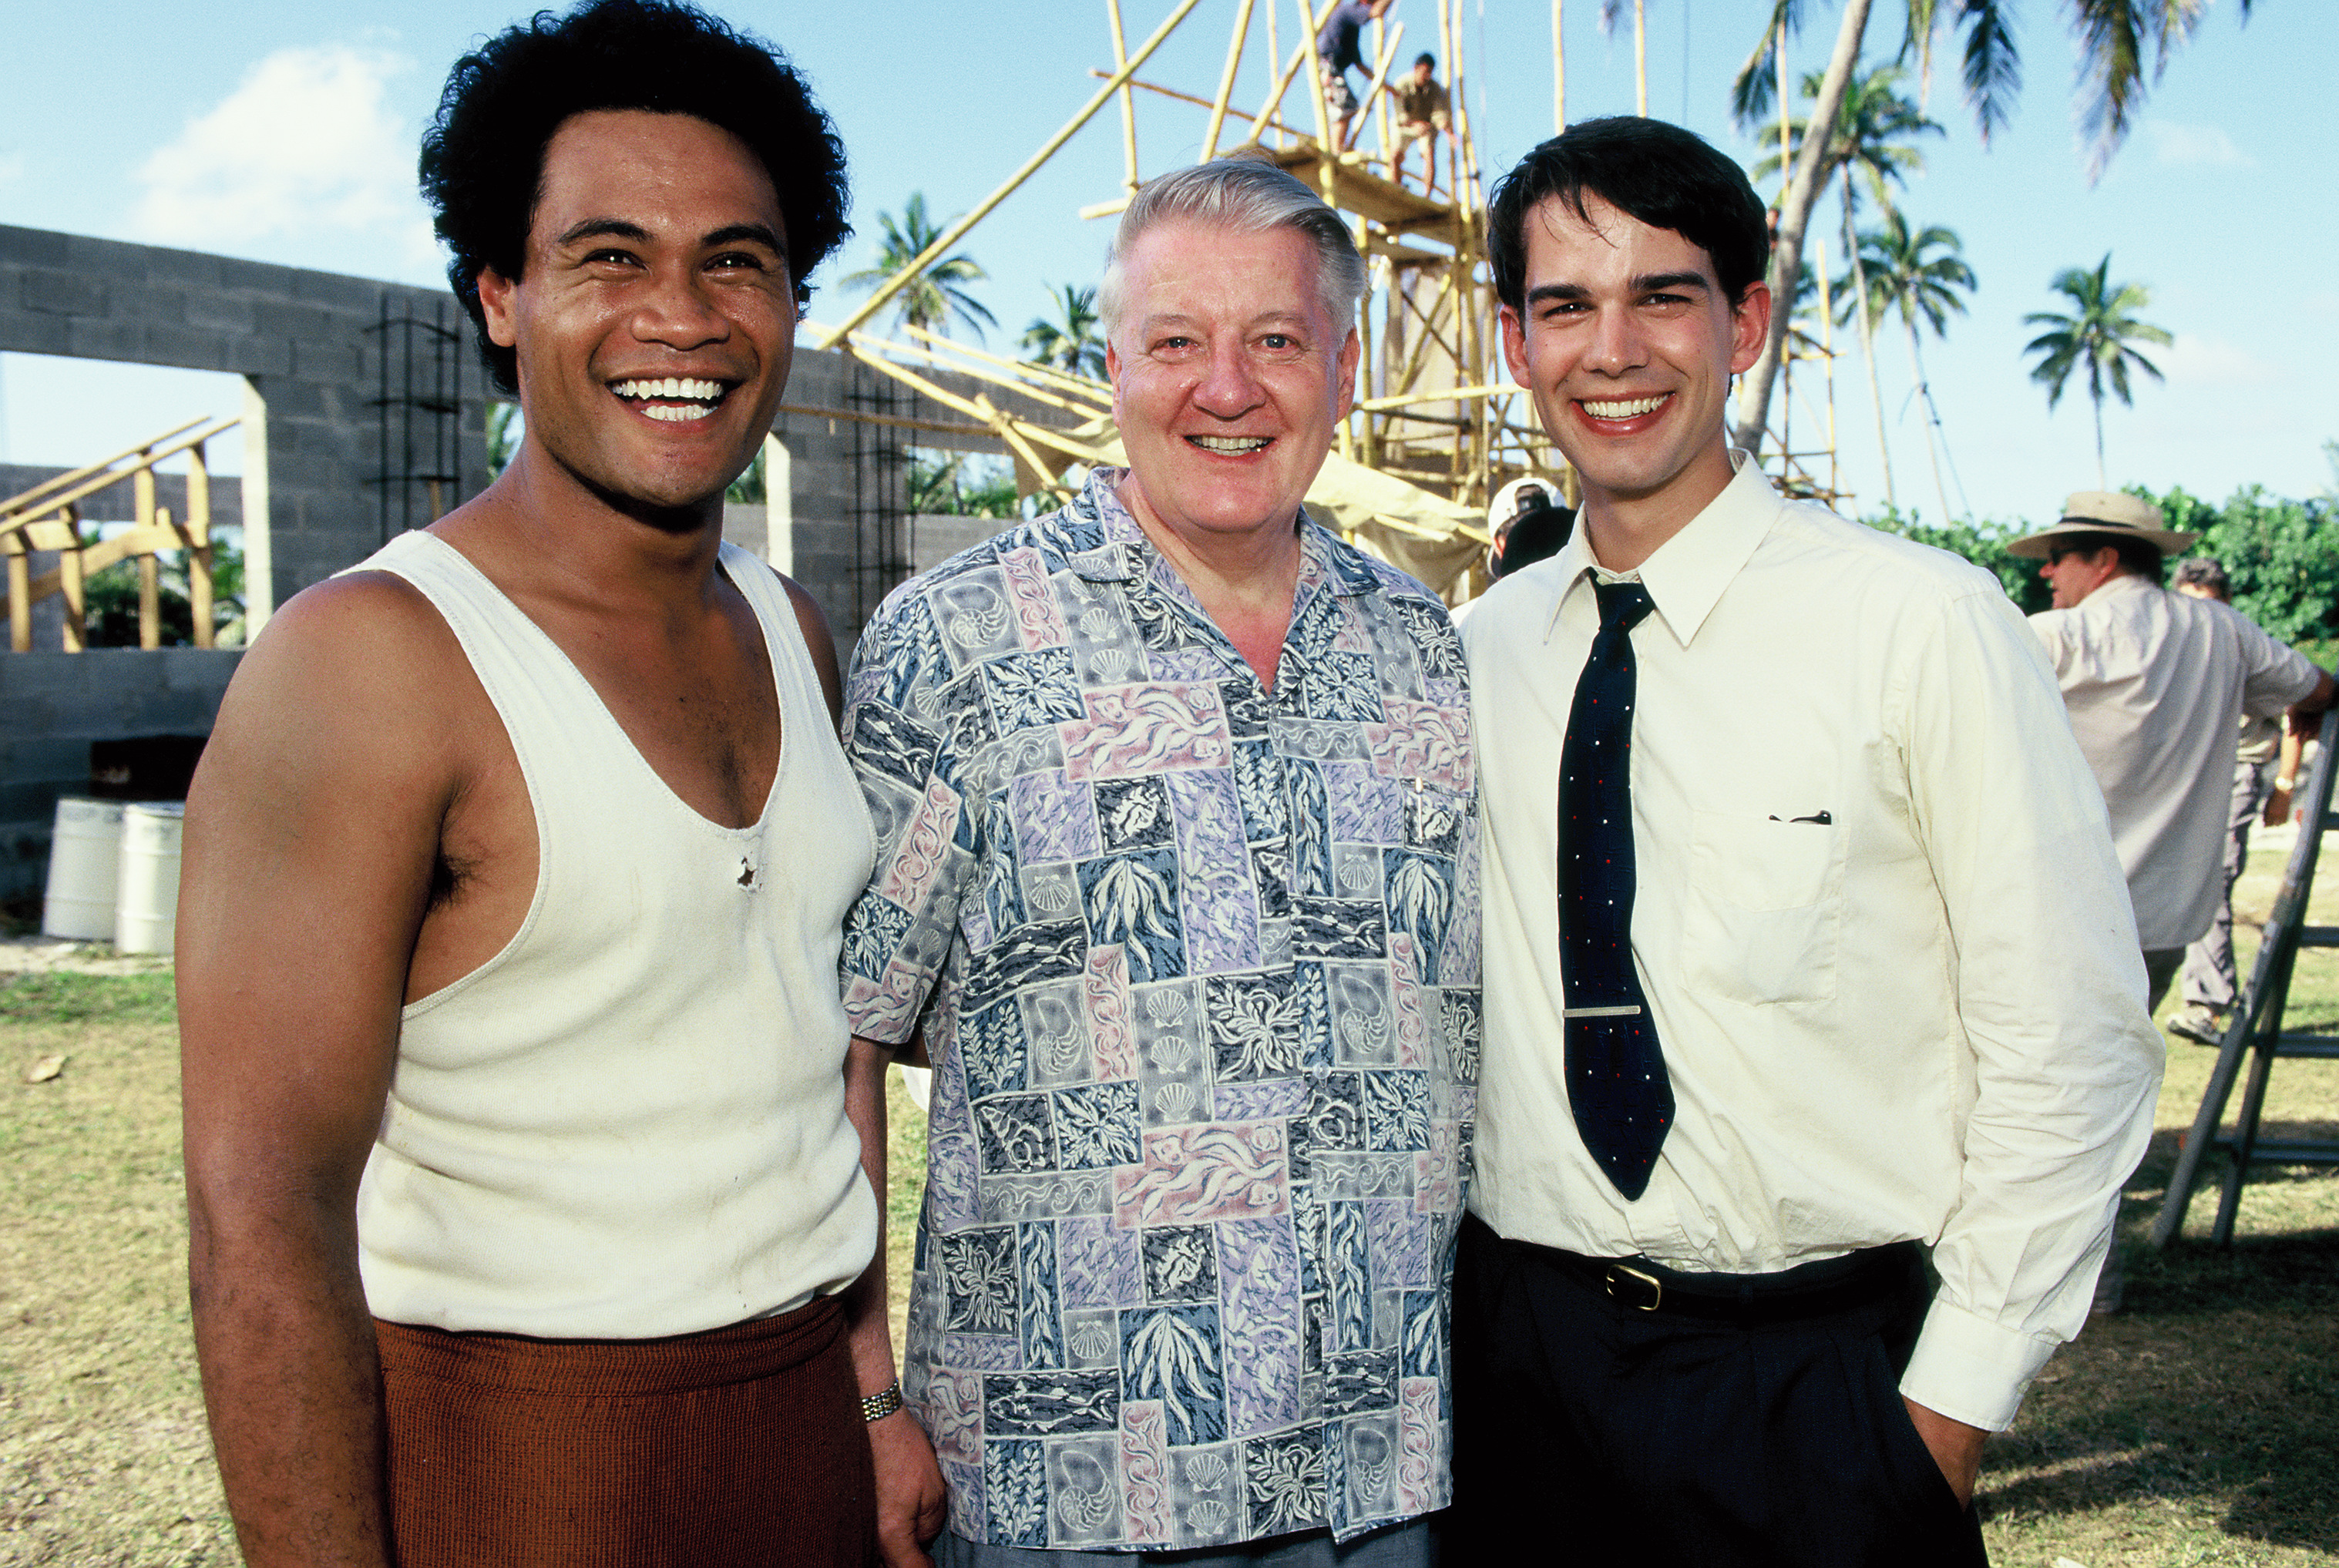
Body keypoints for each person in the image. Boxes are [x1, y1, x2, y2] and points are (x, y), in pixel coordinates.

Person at [176, 3, 944, 1565]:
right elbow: (260, 1218)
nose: (681, 317)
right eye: (609, 256)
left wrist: (868, 1400)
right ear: (500, 293)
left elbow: (816, 1064)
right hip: (519, 1466)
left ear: (791, 302)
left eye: (736, 261)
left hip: (798, 1437)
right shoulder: (371, 662)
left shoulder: (791, 628)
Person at [1452, 116, 2164, 1563]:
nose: (1613, 349)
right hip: (1518, 1386)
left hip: (1815, 1393)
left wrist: (1937, 1422)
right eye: (1565, 306)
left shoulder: (1920, 626)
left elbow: (2073, 1042)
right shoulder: (1467, 656)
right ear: (1515, 343)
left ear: (1746, 322)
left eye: (1663, 295)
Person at [838, 157, 1479, 1566]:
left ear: (1343, 369)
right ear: (1112, 364)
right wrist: (868, 1393)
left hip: (1380, 1473)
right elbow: (842, 1038)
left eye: (1276, 340)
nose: (1226, 388)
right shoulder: (958, 640)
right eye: (1177, 340)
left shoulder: (1423, 650)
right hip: (1065, 1480)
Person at [2015, 494, 2334, 1017]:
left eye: (2057, 555)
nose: (2046, 570)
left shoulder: (2054, 635)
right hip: (2166, 919)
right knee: (2125, 1057)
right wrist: (2309, 706)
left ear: (2104, 559)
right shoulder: (2221, 627)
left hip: (2061, 916)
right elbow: (2316, 687)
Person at [2166, 556, 2310, 1045]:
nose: (2199, 616)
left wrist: (2283, 787)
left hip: (2234, 772)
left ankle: (2205, 1004)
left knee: (2214, 881)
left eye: (2209, 605)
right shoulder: (2167, 651)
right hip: (2180, 775)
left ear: (2227, 604)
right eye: (2188, 605)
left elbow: (2297, 712)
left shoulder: (2243, 647)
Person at [1315, 0, 1393, 149]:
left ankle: (1336, 146)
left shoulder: (1352, 30)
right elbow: (1376, 12)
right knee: (1345, 108)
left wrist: (1388, 88)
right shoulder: (1348, 11)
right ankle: (1336, 148)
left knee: (1347, 107)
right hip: (1327, 67)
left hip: (1332, 69)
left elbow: (1360, 66)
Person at [1389, 54, 1454, 196]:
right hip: (1405, 125)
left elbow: (1439, 114)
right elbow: (1400, 114)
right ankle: (1396, 188)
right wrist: (1414, 124)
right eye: (1425, 72)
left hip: (1426, 127)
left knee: (1429, 154)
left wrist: (1448, 132)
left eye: (1430, 72)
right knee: (1395, 155)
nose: (1427, 76)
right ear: (1416, 69)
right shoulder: (1402, 83)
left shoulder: (1435, 89)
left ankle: (1427, 195)